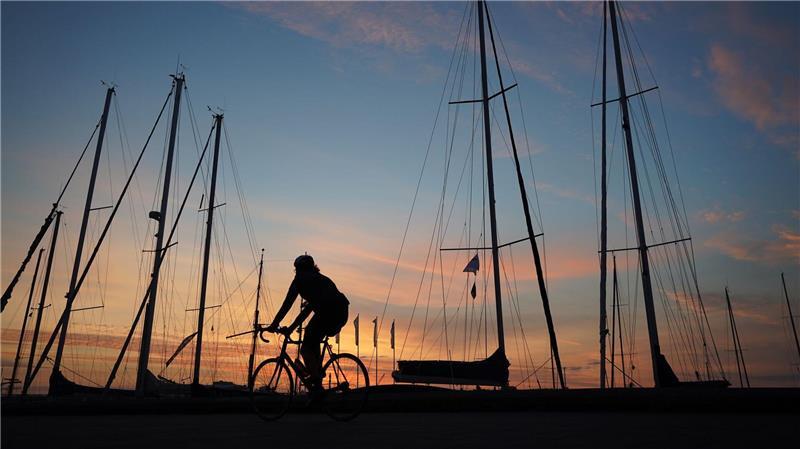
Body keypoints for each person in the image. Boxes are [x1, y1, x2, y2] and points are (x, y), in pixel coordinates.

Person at [265, 254, 349, 393]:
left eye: (301, 270)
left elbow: (307, 310)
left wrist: (290, 328)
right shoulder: (300, 282)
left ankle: (316, 382)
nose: (299, 274)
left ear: (310, 270)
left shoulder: (316, 281)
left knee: (305, 347)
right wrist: (274, 323)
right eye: (297, 271)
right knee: (312, 340)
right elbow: (287, 304)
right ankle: (317, 386)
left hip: (334, 312)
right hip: (330, 312)